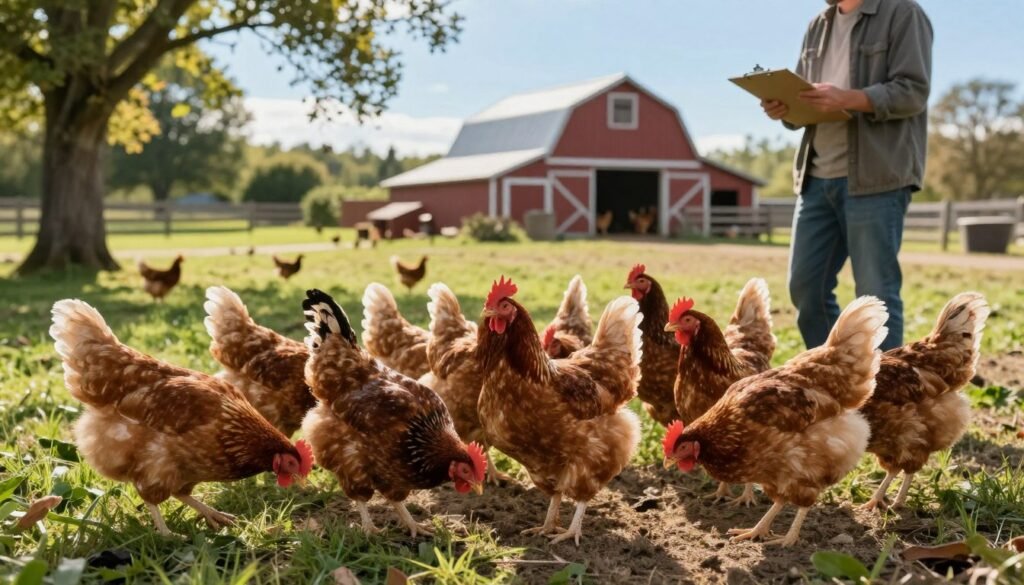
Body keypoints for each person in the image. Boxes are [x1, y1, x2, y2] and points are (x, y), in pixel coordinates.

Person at [761, 0, 932, 351]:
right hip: (816, 176)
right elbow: (801, 105)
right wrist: (783, 108)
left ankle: (882, 396)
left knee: (876, 294)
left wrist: (849, 98)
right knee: (806, 287)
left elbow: (913, 91)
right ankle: (835, 381)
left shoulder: (903, 13)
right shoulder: (816, 26)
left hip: (877, 179)